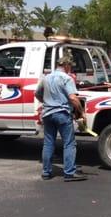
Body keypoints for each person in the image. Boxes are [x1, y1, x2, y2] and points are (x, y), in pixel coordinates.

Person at [35, 54, 87, 182]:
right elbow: (73, 98)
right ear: (66, 65)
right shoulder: (66, 78)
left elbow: (37, 94)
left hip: (47, 114)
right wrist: (81, 112)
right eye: (70, 67)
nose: (71, 69)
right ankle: (69, 172)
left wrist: (47, 102)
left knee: (48, 143)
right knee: (69, 143)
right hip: (62, 114)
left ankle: (46, 172)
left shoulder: (46, 78)